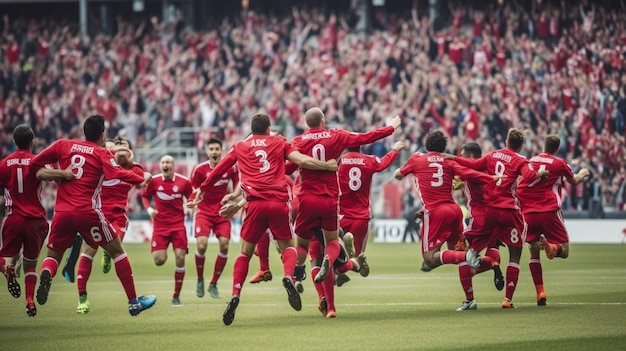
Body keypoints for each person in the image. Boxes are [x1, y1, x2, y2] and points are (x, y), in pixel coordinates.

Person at [190, 112, 338, 326]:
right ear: (269, 128)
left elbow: (220, 168)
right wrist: (327, 166)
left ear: (252, 130)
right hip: (278, 203)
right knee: (288, 246)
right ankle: (288, 276)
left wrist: (203, 189)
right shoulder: (279, 142)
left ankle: (235, 294)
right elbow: (302, 160)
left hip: (254, 205)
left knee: (244, 253)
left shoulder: (240, 146)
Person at [32, 115, 157, 316]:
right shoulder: (101, 153)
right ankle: (134, 303)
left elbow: (35, 165)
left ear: (83, 132)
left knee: (52, 257)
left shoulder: (63, 145)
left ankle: (46, 274)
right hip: (87, 212)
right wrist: (142, 178)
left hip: (61, 214)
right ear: (103, 134)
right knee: (117, 251)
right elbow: (119, 173)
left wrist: (61, 174)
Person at [291, 107, 401, 318]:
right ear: (323, 120)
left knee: (309, 249)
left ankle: (298, 274)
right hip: (335, 205)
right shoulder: (338, 136)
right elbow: (370, 139)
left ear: (307, 123)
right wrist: (391, 129)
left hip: (307, 202)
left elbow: (288, 163)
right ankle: (339, 273)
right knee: (337, 251)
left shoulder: (300, 142)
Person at [448, 128, 547, 309]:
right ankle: (507, 300)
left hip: (490, 211)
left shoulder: (492, 156)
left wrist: (450, 158)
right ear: (522, 145)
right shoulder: (520, 159)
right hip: (510, 210)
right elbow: (530, 177)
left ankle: (473, 258)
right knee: (515, 255)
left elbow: (474, 166)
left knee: (470, 248)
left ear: (506, 140)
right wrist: (541, 173)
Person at [393, 131, 498, 293]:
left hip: (435, 211)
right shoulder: (448, 161)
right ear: (444, 147)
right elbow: (468, 173)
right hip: (454, 210)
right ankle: (479, 281)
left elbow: (398, 175)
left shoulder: (417, 159)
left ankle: (467, 256)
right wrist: (491, 178)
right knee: (455, 254)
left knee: (429, 259)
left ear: (427, 144)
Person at [0, 124, 73, 317]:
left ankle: (6, 268)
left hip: (13, 217)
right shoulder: (37, 161)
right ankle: (30, 301)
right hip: (36, 221)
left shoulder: (4, 163)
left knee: (6, 256)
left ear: (14, 142)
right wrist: (65, 174)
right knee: (30, 264)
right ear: (32, 142)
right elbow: (48, 176)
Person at [74, 137, 150, 314]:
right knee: (88, 251)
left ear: (130, 152)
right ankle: (82, 299)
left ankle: (108, 256)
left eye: (126, 146)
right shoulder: (102, 164)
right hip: (96, 214)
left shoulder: (134, 169)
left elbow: (144, 181)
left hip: (118, 217)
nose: (121, 149)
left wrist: (143, 172)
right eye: (118, 146)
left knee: (115, 250)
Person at [517, 134, 589, 306]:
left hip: (528, 213)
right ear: (557, 148)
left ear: (543, 145)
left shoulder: (529, 161)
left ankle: (540, 293)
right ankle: (552, 247)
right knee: (564, 251)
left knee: (534, 252)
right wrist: (583, 172)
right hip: (549, 211)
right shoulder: (559, 163)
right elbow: (574, 181)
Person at [452, 142, 505, 311]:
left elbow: (461, 175)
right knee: (491, 246)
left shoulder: (470, 169)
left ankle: (470, 300)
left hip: (479, 218)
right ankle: (493, 261)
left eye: (463, 155)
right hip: (496, 215)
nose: (461, 158)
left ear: (472, 158)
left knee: (461, 254)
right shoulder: (488, 167)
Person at [339, 140, 406, 261]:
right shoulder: (369, 160)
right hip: (361, 217)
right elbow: (385, 162)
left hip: (340, 216)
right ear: (361, 146)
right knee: (357, 258)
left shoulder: (338, 161)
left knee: (334, 251)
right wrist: (395, 150)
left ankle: (339, 267)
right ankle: (350, 262)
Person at [188, 138, 238, 299]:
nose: (214, 152)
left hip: (222, 211)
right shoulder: (199, 169)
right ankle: (200, 279)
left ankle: (214, 283)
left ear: (222, 151)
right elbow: (193, 188)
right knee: (201, 246)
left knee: (224, 245)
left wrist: (235, 197)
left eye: (217, 149)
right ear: (207, 151)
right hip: (203, 211)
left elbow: (238, 182)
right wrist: (191, 202)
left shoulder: (230, 168)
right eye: (212, 149)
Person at [141, 155, 193, 306]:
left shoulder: (184, 182)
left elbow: (191, 197)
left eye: (168, 162)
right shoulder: (154, 181)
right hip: (160, 226)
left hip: (178, 225)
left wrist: (190, 208)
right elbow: (145, 196)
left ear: (173, 165)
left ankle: (176, 296)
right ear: (160, 165)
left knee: (180, 257)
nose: (165, 164)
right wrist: (149, 209)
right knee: (159, 260)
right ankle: (164, 250)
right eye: (163, 162)